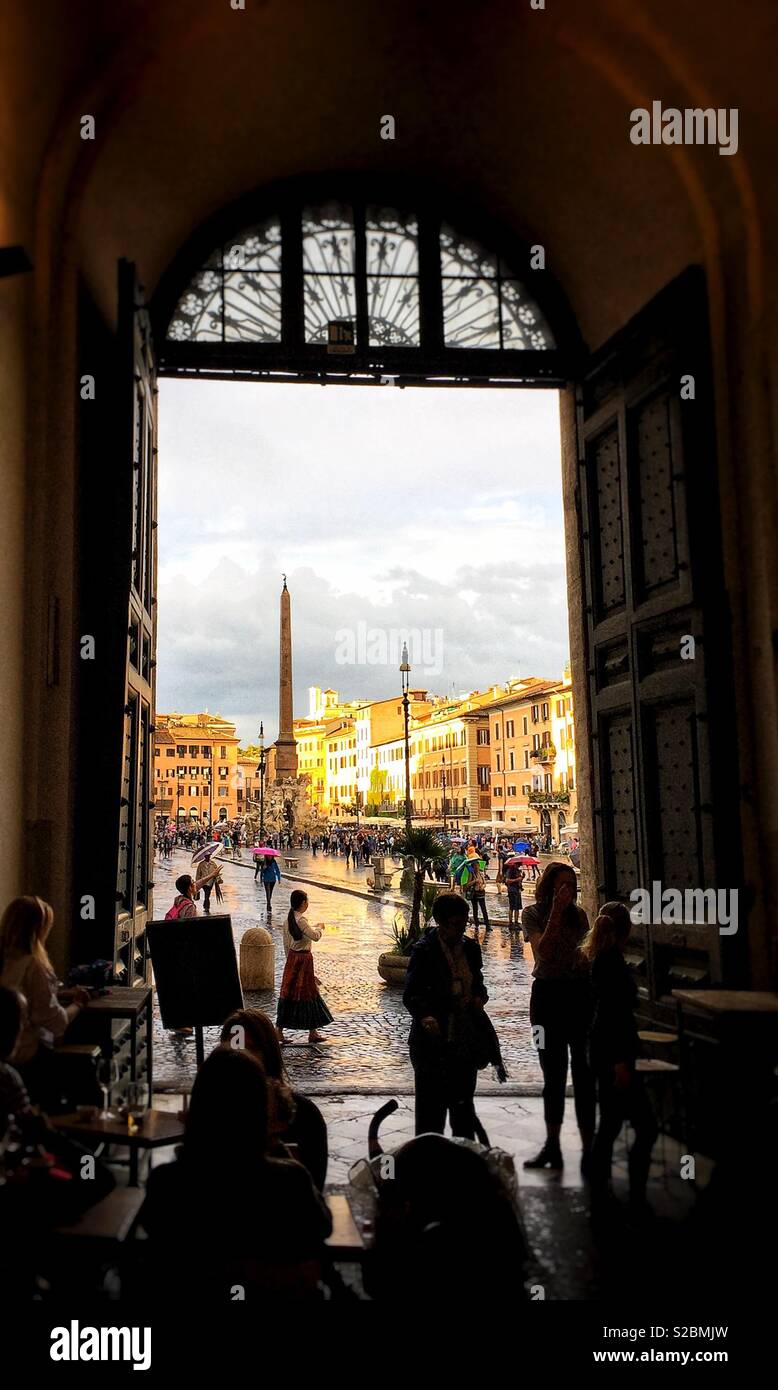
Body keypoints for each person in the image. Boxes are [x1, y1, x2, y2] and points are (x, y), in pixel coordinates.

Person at [140, 1048, 332, 1300]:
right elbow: (322, 1226)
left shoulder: (167, 1182)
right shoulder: (288, 1182)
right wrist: (278, 1148)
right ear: (259, 1112)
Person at [521, 862, 595, 1172]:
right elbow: (545, 952)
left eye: (573, 884)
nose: (570, 890)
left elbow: (585, 954)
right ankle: (552, 1146)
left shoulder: (578, 916)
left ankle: (590, 1148)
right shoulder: (533, 915)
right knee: (552, 1075)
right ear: (550, 887)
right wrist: (555, 913)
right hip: (546, 998)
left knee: (584, 1074)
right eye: (564, 884)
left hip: (577, 997)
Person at [584, 902, 657, 1205]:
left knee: (613, 1121)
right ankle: (634, 1195)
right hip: (615, 1052)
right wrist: (620, 1063)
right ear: (627, 929)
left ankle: (599, 1183)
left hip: (606, 1048)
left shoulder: (603, 958)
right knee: (645, 1127)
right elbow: (615, 1013)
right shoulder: (611, 962)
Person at [403, 892, 492, 1139]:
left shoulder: (471, 949)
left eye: (463, 924)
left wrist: (478, 997)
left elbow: (480, 985)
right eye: (455, 925)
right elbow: (411, 994)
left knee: (463, 1111)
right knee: (430, 1114)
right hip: (432, 1042)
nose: (460, 930)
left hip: (463, 1039)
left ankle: (463, 1165)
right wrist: (425, 1016)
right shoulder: (424, 951)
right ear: (441, 923)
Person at [220, 1008, 328, 1190]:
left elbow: (314, 1188)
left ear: (268, 1054)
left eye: (251, 1049)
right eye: (233, 1049)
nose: (240, 1058)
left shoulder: (303, 1115)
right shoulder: (213, 1111)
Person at [0, 897, 89, 1107]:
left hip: (6, 1056)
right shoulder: (33, 966)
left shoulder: (6, 960)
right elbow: (56, 1023)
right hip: (28, 1057)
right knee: (85, 1074)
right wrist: (78, 1003)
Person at [276, 890, 333, 1046]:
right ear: (302, 903)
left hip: (293, 959)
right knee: (308, 993)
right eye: (307, 901)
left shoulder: (288, 920)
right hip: (303, 960)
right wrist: (320, 927)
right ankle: (310, 1032)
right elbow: (315, 936)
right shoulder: (301, 920)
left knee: (290, 993)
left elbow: (286, 945)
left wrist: (290, 961)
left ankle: (284, 1030)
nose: (308, 903)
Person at [195, 848, 222, 914]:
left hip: (210, 882)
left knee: (207, 894)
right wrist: (197, 884)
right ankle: (206, 906)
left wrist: (218, 879)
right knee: (207, 894)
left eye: (209, 856)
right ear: (204, 857)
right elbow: (198, 874)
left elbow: (217, 873)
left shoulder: (213, 864)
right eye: (207, 856)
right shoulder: (201, 864)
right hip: (203, 882)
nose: (208, 857)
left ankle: (206, 906)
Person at [504, 857, 525, 931]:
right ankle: (510, 923)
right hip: (512, 890)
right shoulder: (510, 870)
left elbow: (519, 880)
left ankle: (516, 922)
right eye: (518, 865)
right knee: (512, 907)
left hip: (517, 890)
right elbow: (507, 881)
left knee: (518, 907)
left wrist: (522, 877)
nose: (519, 866)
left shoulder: (518, 871)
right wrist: (517, 879)